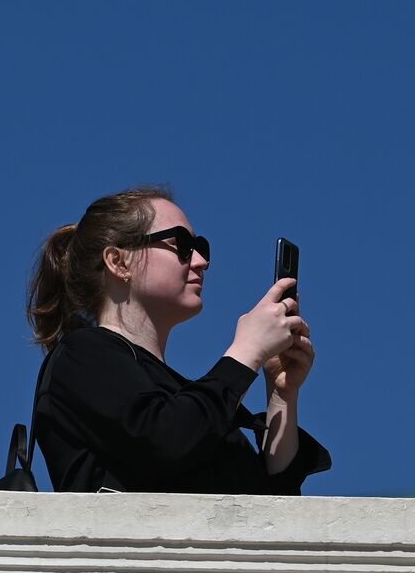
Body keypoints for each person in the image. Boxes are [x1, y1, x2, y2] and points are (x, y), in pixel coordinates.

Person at [26, 185, 330, 493]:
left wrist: (281, 396)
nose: (201, 261)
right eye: (182, 244)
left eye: (201, 247)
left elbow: (272, 512)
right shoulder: (81, 358)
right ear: (118, 262)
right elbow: (166, 443)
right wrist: (247, 351)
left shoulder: (197, 406)